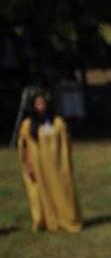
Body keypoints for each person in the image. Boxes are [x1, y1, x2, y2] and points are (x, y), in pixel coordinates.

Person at [17, 92, 81, 233]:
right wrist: (28, 165)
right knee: (41, 193)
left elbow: (66, 144)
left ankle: (66, 219)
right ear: (33, 106)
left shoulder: (57, 122)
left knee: (62, 190)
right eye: (38, 103)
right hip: (38, 166)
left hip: (56, 166)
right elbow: (25, 147)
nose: (41, 106)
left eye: (43, 103)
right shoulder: (28, 125)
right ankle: (47, 221)